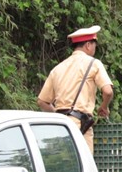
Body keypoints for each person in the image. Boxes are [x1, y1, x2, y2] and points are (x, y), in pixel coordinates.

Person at [37, 25, 113, 154]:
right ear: (88, 45)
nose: (95, 48)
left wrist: (57, 114)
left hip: (60, 127)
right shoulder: (93, 63)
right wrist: (104, 106)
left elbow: (41, 101)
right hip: (80, 125)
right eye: (94, 44)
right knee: (84, 168)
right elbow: (108, 91)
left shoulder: (58, 68)